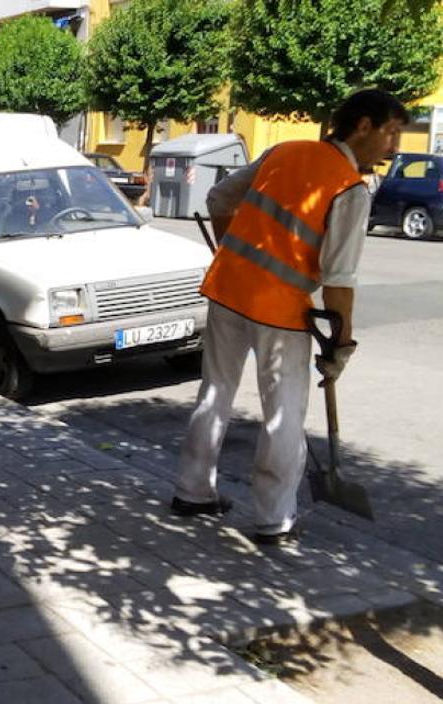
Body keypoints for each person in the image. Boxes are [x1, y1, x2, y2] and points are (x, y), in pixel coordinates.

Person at [171, 89, 407, 546]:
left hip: (227, 289)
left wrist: (236, 255)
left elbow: (220, 198)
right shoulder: (348, 189)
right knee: (283, 414)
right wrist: (342, 345)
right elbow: (339, 279)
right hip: (279, 311)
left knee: (215, 392)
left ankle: (192, 492)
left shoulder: (284, 151)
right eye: (391, 133)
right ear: (363, 126)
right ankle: (273, 519)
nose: (393, 146)